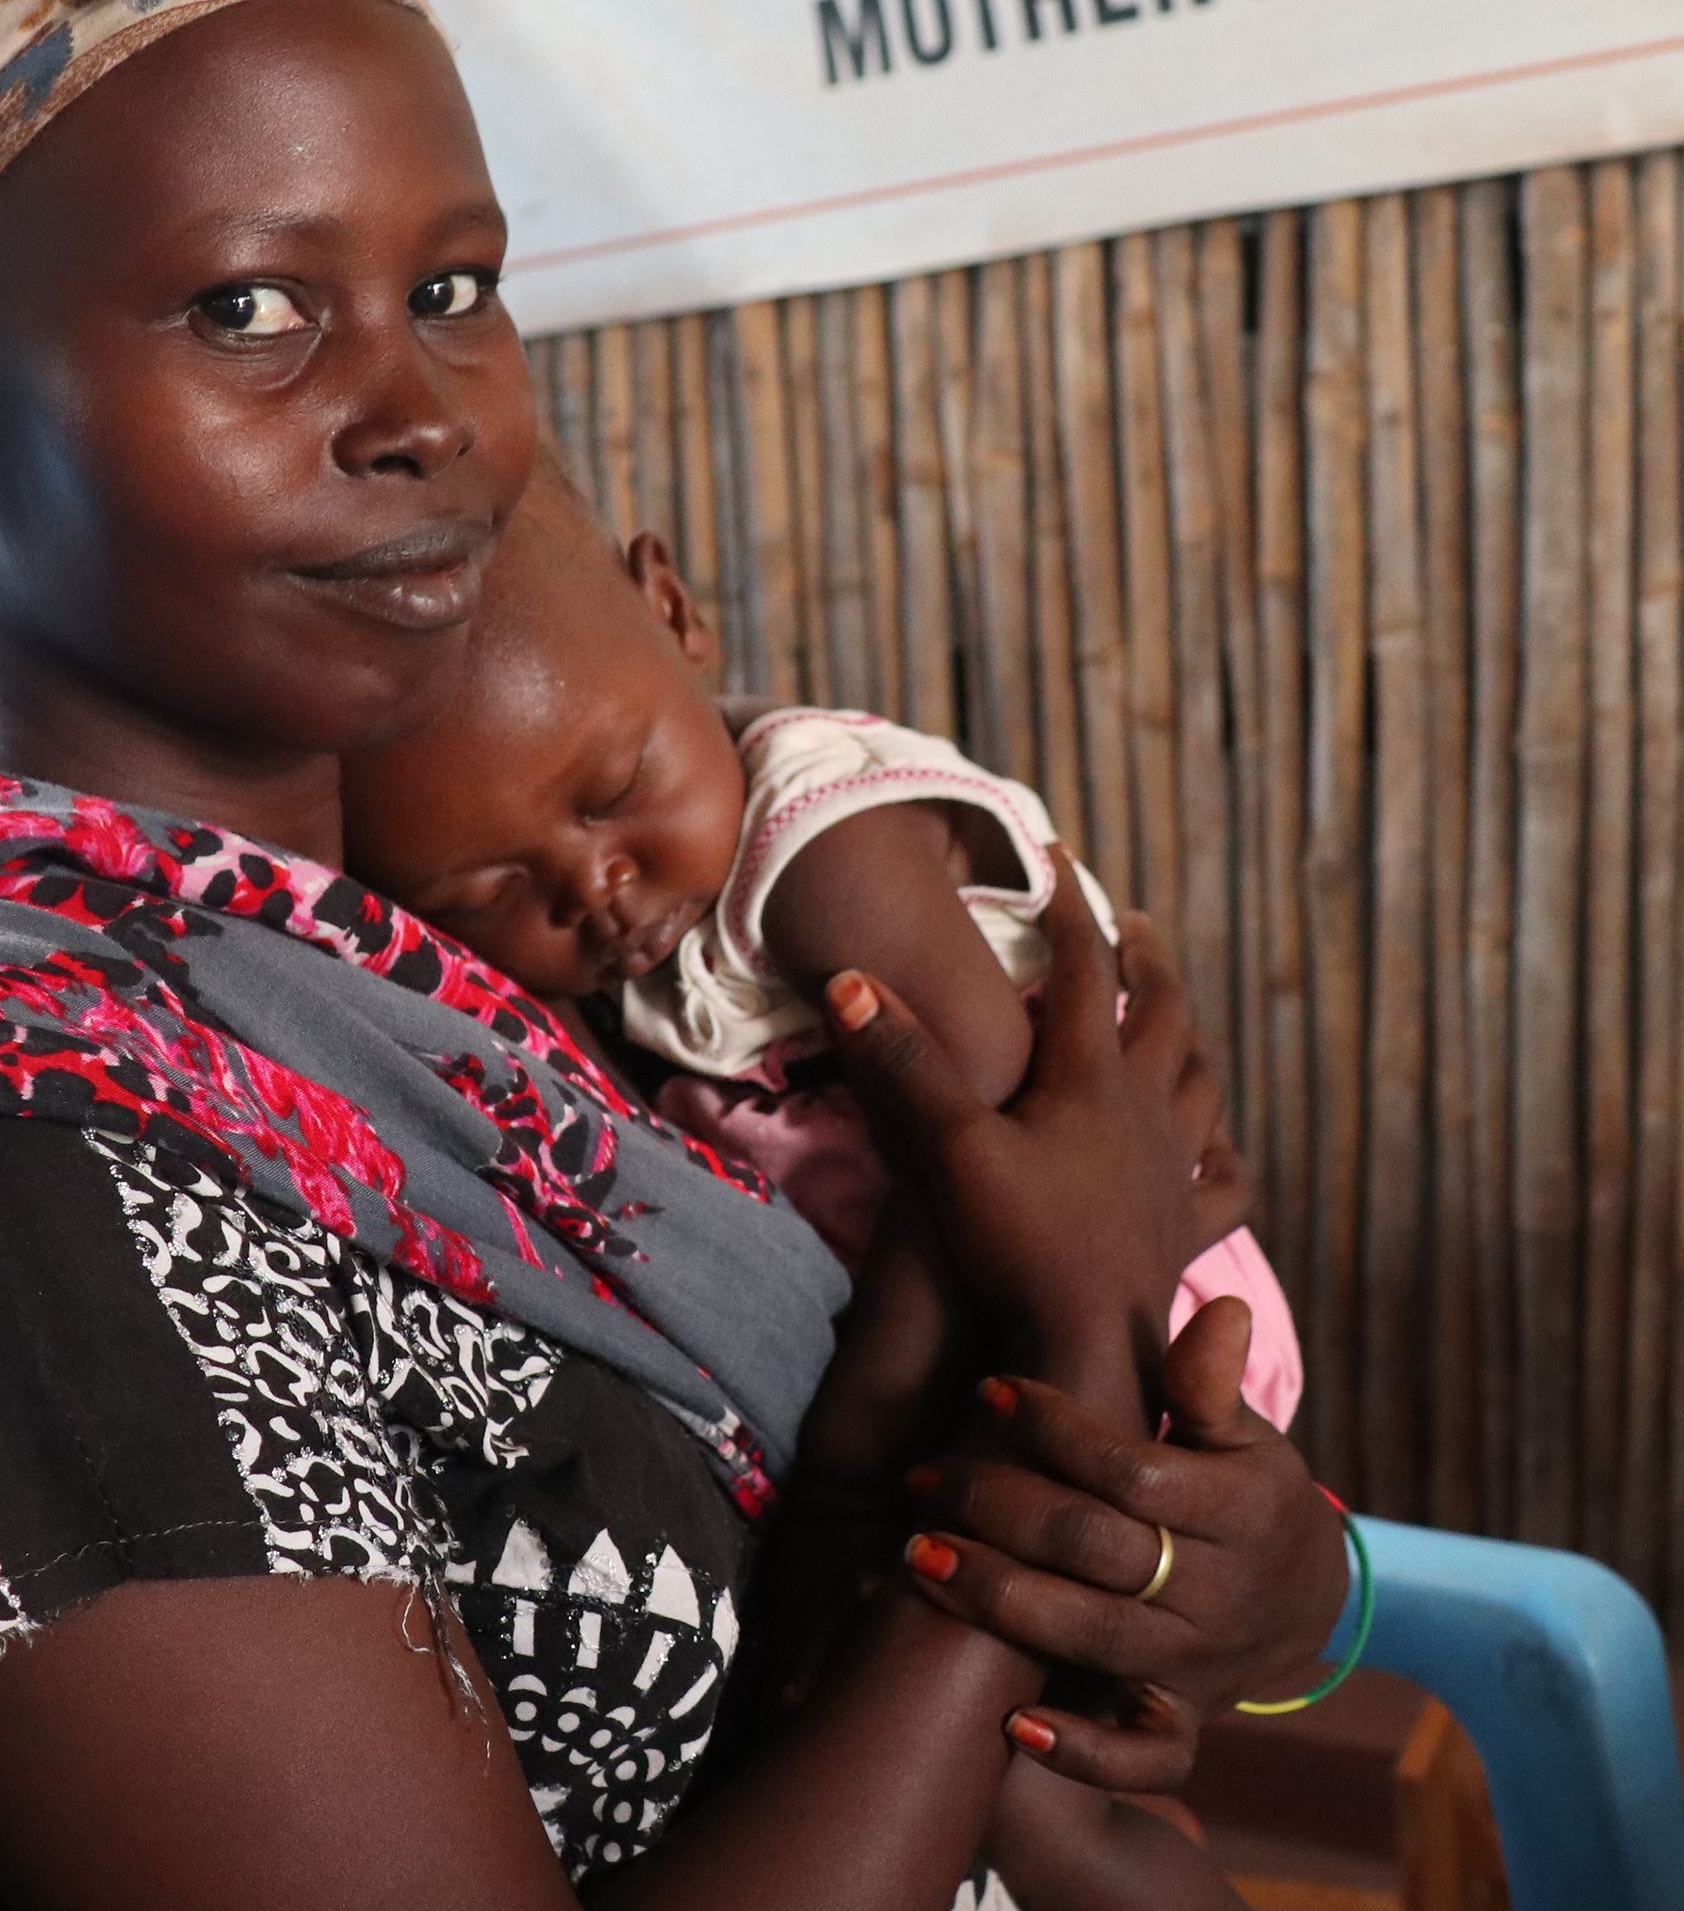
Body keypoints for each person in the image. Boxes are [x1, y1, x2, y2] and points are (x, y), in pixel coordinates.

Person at [0, 0, 1353, 1911]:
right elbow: (894, 1612)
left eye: (455, 287)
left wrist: (1266, 1590)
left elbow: (928, 1646)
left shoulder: (491, 959)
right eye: (250, 305)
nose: (417, 409)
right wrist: (999, 1454)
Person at [339, 462, 1304, 1436]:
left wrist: (878, 1398)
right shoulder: (610, 959)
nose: (595, 887)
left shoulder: (820, 850)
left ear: (674, 612)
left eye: (618, 790)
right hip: (995, 1310)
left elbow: (994, 1121)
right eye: (492, 889)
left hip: (1138, 1294)